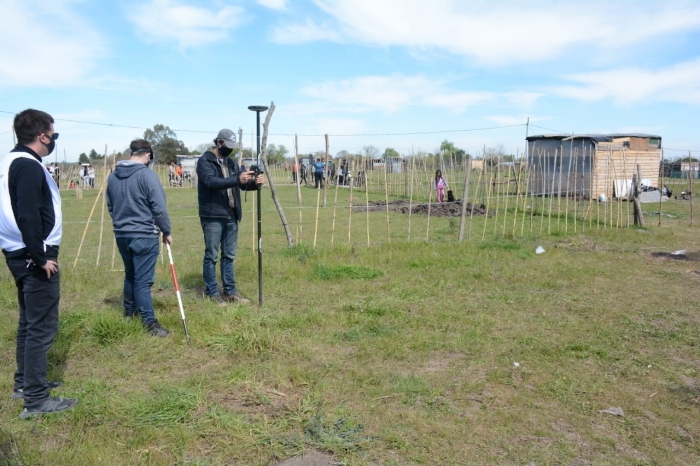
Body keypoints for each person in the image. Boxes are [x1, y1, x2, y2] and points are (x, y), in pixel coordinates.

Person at [0, 109, 78, 419]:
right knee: (41, 328)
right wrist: (40, 255)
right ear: (42, 136)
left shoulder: (9, 161)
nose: (54, 141)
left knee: (28, 322)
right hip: (33, 255)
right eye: (53, 136)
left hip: (17, 251)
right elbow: (28, 214)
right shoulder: (29, 166)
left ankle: (24, 383)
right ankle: (35, 400)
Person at [106, 139, 171, 337]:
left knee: (131, 275)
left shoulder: (113, 176)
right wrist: (166, 231)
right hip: (144, 234)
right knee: (143, 280)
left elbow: (111, 205)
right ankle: (149, 323)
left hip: (122, 234)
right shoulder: (147, 176)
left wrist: (121, 224)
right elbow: (159, 207)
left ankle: (129, 313)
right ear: (148, 155)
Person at [197, 129, 263, 306]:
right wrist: (237, 179)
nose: (230, 150)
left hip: (232, 215)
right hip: (212, 215)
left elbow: (240, 186)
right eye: (228, 145)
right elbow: (211, 182)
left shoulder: (232, 163)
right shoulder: (205, 161)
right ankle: (212, 292)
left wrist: (254, 184)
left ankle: (230, 292)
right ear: (219, 142)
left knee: (229, 256)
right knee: (211, 255)